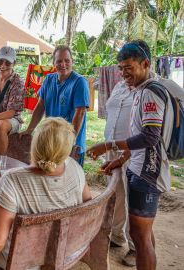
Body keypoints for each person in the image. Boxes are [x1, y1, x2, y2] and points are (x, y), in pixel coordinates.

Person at [87, 40, 173, 270]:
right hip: (138, 166)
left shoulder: (150, 93)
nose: (124, 74)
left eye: (129, 68)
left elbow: (150, 138)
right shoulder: (140, 90)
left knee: (140, 235)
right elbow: (140, 135)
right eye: (121, 68)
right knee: (142, 233)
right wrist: (122, 157)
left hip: (147, 172)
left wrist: (109, 145)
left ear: (145, 63)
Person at [0, 117, 91, 269]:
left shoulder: (12, 179)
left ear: (35, 144)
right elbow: (87, 206)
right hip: (66, 251)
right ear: (66, 150)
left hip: (23, 261)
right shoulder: (75, 168)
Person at [19, 45, 89, 166]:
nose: (63, 64)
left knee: (71, 181)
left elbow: (80, 112)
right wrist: (29, 129)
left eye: (67, 60)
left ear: (72, 61)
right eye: (59, 61)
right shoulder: (49, 79)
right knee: (51, 179)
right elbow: (40, 106)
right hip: (51, 142)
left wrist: (70, 139)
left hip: (70, 143)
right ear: (53, 63)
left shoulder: (79, 82)